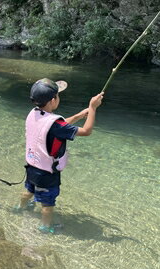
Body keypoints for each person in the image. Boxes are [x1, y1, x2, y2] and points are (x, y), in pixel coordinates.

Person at [16, 78, 104, 234]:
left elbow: (58, 127)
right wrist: (93, 108)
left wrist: (78, 115)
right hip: (47, 173)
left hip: (32, 166)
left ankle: (19, 207)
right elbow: (86, 131)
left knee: (29, 190)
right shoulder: (56, 125)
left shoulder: (34, 114)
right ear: (52, 100)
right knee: (47, 205)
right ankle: (45, 227)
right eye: (58, 96)